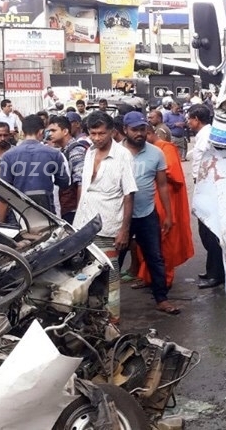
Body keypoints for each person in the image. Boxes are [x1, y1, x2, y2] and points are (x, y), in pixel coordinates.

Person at [73, 111, 137, 324]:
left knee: (110, 274)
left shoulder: (122, 155)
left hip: (109, 225)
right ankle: (93, 317)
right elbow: (84, 189)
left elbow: (129, 194)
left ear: (111, 132)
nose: (97, 138)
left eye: (101, 133)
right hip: (84, 224)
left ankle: (113, 319)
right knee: (86, 273)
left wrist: (124, 229)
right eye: (93, 133)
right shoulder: (89, 152)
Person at [120, 111, 180, 315]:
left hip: (147, 214)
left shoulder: (156, 153)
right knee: (114, 260)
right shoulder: (117, 153)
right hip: (120, 217)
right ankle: (106, 303)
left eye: (142, 129)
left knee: (155, 257)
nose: (139, 133)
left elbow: (162, 185)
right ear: (125, 130)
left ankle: (162, 298)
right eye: (134, 129)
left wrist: (169, 216)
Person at [136, 125, 194, 288]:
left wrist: (153, 169)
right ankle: (149, 277)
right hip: (150, 199)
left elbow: (173, 174)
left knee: (163, 240)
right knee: (148, 242)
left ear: (149, 134)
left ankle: (163, 280)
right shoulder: (150, 150)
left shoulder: (165, 148)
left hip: (164, 201)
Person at [0, 114, 70, 220]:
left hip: (18, 214)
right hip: (46, 214)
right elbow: (64, 182)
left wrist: (0, 222)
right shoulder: (54, 154)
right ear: (41, 132)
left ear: (23, 132)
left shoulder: (8, 156)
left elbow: (3, 192)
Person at [187, 104, 225, 289]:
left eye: (189, 119)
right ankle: (212, 270)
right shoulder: (203, 135)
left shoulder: (208, 136)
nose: (188, 122)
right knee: (205, 231)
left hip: (209, 186)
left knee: (210, 232)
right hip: (202, 184)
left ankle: (216, 274)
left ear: (196, 119)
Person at [47, 115, 87, 224]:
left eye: (53, 130)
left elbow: (81, 182)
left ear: (65, 131)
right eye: (49, 131)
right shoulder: (63, 150)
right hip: (66, 207)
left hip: (73, 209)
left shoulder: (76, 150)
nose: (50, 134)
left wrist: (79, 212)